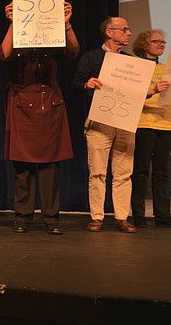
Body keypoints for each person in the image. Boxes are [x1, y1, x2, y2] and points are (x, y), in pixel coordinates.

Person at [0, 2, 79, 234]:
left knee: (50, 167)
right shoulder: (17, 42)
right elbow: (4, 54)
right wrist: (14, 22)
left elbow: (73, 50)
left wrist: (66, 22)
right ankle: (22, 217)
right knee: (22, 167)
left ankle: (51, 218)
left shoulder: (52, 42)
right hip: (22, 107)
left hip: (51, 107)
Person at [71, 16, 137, 233]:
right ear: (110, 32)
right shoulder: (91, 58)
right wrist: (88, 84)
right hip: (99, 122)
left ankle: (121, 217)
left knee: (123, 172)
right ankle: (97, 217)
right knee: (97, 172)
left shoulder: (130, 62)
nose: (128, 33)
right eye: (124, 29)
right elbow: (76, 84)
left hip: (124, 122)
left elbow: (134, 94)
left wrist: (152, 91)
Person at [130, 30, 171, 228]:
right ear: (144, 43)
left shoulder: (167, 68)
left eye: (163, 42)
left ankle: (163, 216)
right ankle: (138, 216)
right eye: (156, 41)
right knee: (141, 170)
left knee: (162, 171)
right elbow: (130, 94)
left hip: (166, 124)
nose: (161, 44)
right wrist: (153, 90)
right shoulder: (136, 67)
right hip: (143, 123)